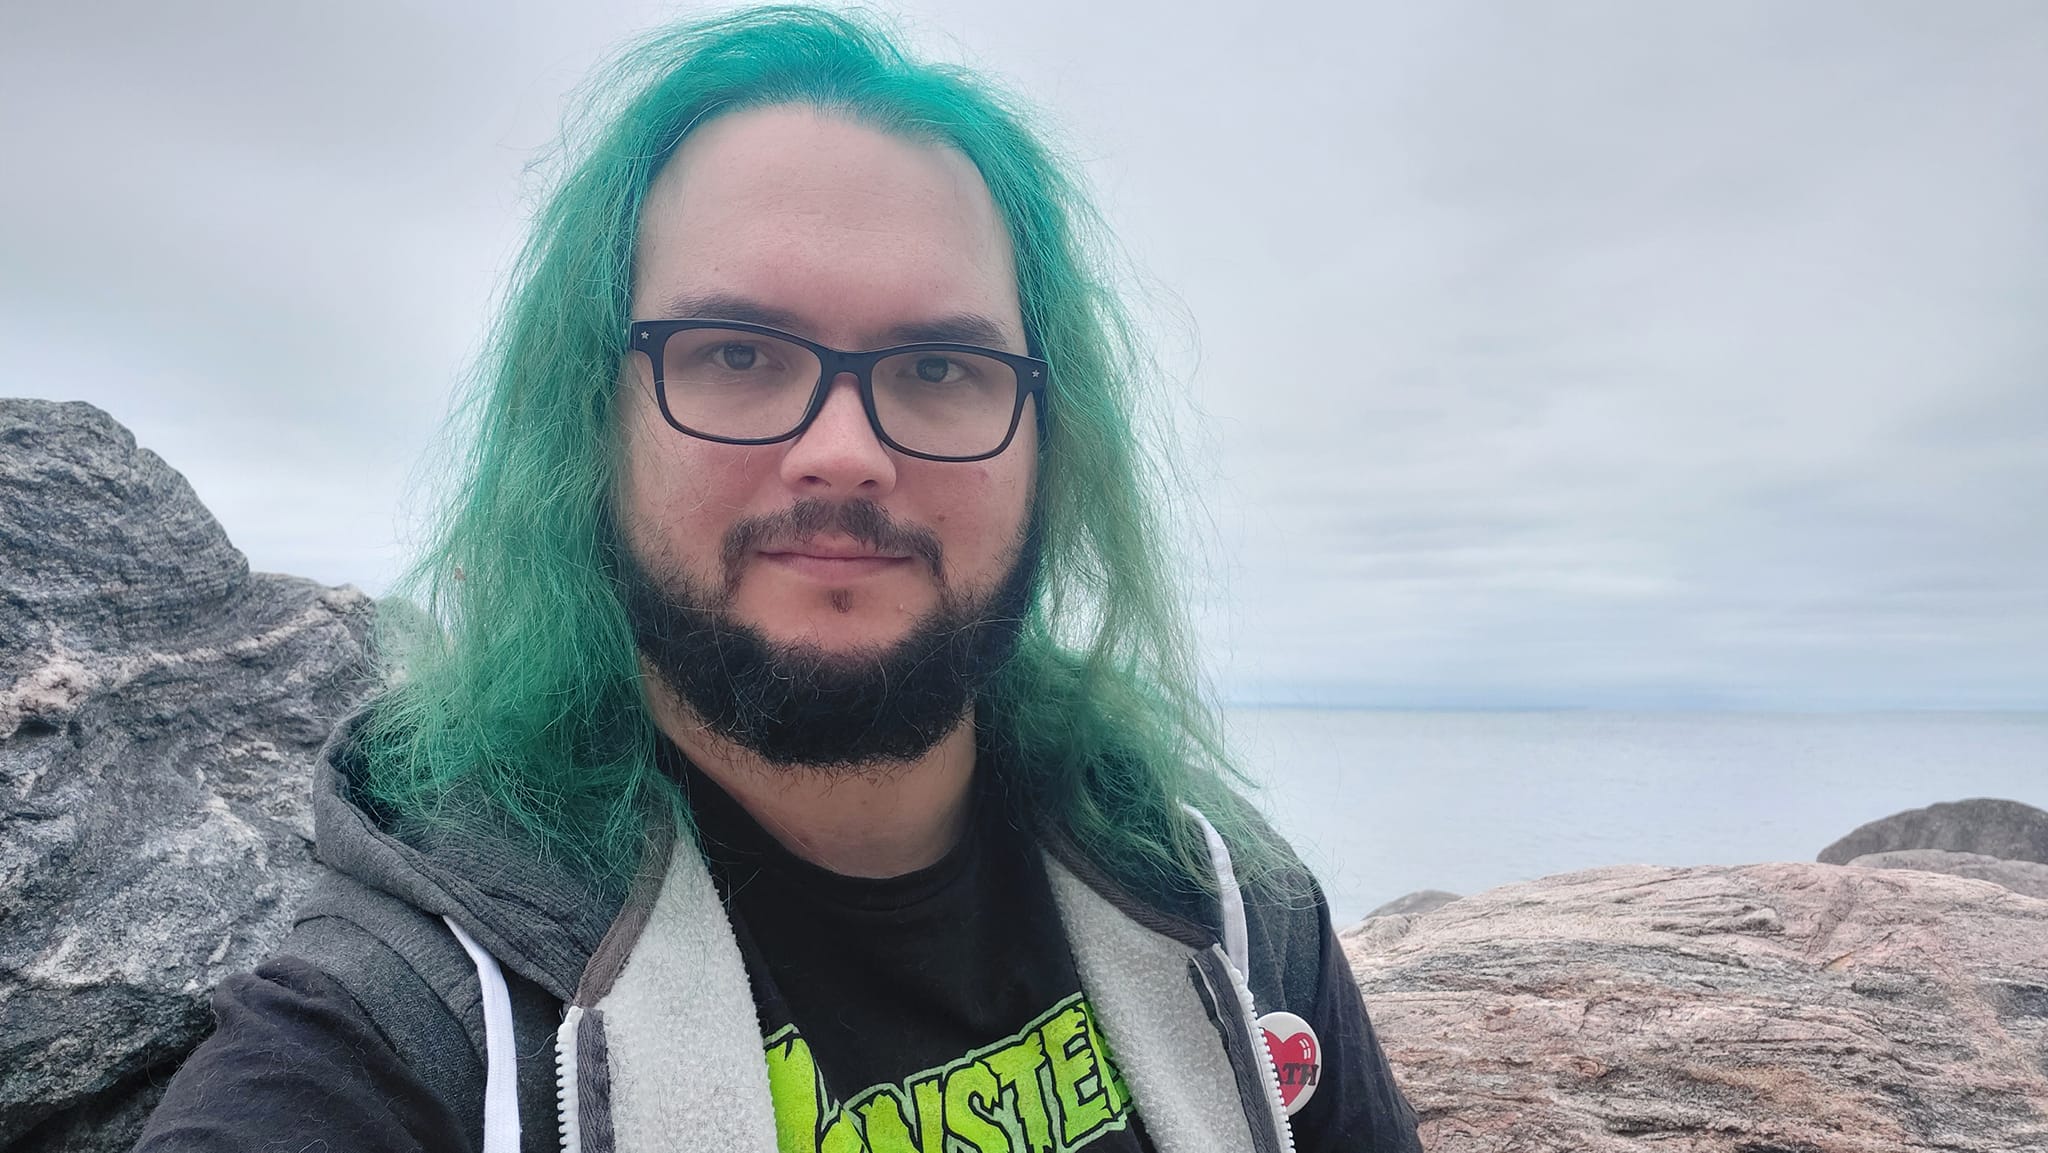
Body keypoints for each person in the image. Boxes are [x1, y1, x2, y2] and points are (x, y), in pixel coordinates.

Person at [136, 8, 1421, 1152]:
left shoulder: (1229, 909)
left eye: (937, 368)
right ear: (591, 424)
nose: (845, 454)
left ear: (1046, 440)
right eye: (736, 353)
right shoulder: (414, 1023)